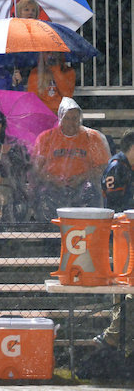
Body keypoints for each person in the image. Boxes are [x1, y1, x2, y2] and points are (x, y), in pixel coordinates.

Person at [31, 97, 111, 222]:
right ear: (60, 118)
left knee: (91, 191)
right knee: (43, 195)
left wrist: (82, 177)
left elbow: (102, 167)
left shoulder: (92, 138)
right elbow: (36, 169)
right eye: (67, 118)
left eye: (74, 118)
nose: (71, 122)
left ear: (80, 119)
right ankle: (50, 230)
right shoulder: (46, 138)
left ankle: (88, 227)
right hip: (53, 187)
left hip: (83, 185)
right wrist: (53, 179)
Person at [92, 130, 134, 355]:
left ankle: (115, 335)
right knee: (125, 285)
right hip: (121, 234)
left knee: (126, 287)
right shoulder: (118, 167)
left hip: (127, 233)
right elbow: (116, 203)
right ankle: (113, 335)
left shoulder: (127, 167)